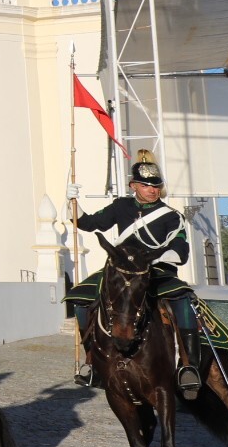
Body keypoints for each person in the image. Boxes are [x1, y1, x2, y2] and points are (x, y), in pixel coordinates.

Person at [71, 150, 204, 399]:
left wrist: (156, 258)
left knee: (182, 299)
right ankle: (92, 361)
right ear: (134, 186)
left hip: (157, 269)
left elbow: (181, 250)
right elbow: (90, 224)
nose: (152, 190)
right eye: (146, 185)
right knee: (79, 297)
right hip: (122, 270)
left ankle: (189, 366)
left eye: (156, 186)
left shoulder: (171, 216)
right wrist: (72, 203)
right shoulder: (121, 207)